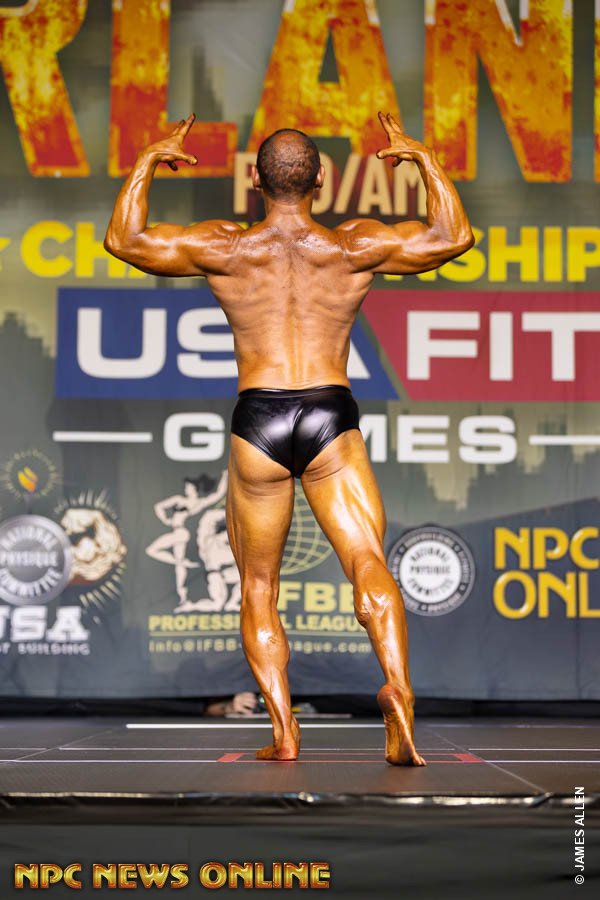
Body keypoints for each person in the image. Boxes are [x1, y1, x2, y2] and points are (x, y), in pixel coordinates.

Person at [105, 112, 473, 765]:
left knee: (257, 585)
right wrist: (421, 159)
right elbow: (453, 236)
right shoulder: (351, 245)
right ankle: (398, 691)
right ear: (321, 180)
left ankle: (283, 732)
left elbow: (124, 239)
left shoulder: (228, 246)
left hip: (260, 419)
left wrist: (148, 161)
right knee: (367, 560)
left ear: (255, 180)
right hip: (330, 414)